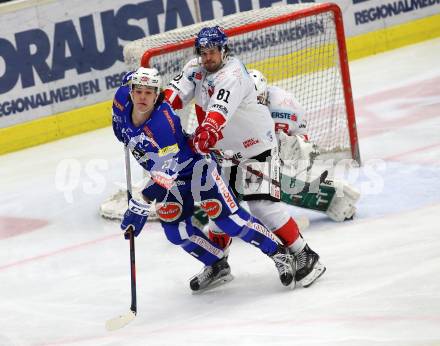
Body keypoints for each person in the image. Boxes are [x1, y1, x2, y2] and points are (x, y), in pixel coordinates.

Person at [164, 26, 325, 288]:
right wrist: (153, 116)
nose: (207, 58)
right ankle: (217, 263)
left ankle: (305, 254)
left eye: (212, 52)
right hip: (225, 154)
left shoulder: (233, 74)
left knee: (262, 206)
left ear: (224, 50)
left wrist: (206, 133)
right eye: (203, 53)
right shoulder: (196, 67)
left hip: (255, 148)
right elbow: (174, 95)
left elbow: (218, 112)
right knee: (218, 209)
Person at [112, 66, 296, 292]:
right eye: (138, 91)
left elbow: (166, 175)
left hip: (197, 170)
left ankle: (279, 252)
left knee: (231, 221)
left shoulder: (162, 123)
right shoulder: (122, 99)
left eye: (149, 92)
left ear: (157, 95)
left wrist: (140, 205)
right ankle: (216, 263)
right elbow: (118, 119)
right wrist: (121, 130)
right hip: (173, 180)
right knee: (175, 232)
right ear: (130, 91)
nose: (142, 97)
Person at [248, 69, 360, 222]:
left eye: (259, 98)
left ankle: (331, 197)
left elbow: (300, 141)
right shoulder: (234, 106)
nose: (257, 102)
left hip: (274, 154)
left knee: (271, 174)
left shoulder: (284, 104)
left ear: (265, 92)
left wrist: (290, 159)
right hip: (245, 154)